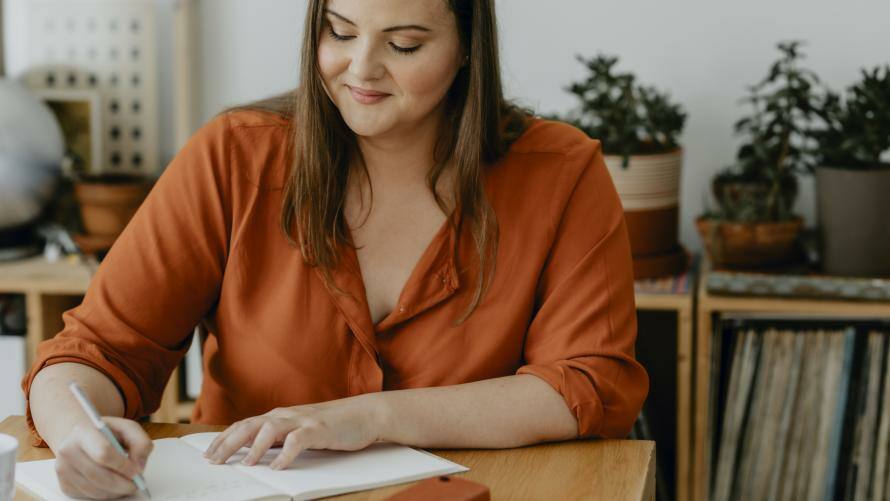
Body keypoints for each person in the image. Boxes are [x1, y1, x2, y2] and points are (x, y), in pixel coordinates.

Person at [23, 0, 649, 498]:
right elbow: (97, 351)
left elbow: (587, 384)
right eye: (340, 32)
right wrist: (81, 434)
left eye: (404, 44)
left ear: (466, 50)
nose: (361, 68)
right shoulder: (235, 156)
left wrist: (369, 417)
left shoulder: (560, 172)